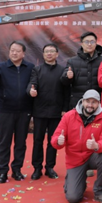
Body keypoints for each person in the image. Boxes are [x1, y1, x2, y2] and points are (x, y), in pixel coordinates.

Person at [0, 40, 33, 183]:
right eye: (12, 50)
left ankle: (17, 170)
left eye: (17, 51)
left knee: (21, 142)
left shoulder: (30, 67)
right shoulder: (1, 67)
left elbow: (35, 83)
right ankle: (2, 172)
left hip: (24, 110)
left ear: (23, 53)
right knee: (4, 142)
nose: (14, 53)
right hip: (6, 110)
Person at [51, 89, 102, 203]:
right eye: (88, 101)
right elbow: (55, 138)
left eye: (94, 102)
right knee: (73, 198)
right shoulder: (69, 116)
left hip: (93, 155)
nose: (90, 105)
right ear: (82, 101)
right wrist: (58, 142)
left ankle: (100, 191)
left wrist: (97, 145)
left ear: (99, 103)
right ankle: (75, 182)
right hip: (75, 159)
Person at [27, 42, 68, 180]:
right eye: (46, 51)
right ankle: (37, 168)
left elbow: (67, 92)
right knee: (37, 140)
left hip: (56, 111)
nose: (49, 54)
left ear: (57, 54)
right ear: (43, 54)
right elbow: (32, 84)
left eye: (52, 51)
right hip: (40, 110)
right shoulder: (37, 69)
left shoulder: (62, 70)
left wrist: (64, 109)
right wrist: (31, 91)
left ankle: (50, 167)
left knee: (53, 141)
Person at [61, 31, 102, 108]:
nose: (89, 44)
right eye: (86, 42)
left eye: (92, 42)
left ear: (96, 43)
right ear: (82, 44)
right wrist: (68, 77)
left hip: (98, 102)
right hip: (78, 102)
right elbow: (64, 82)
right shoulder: (72, 61)